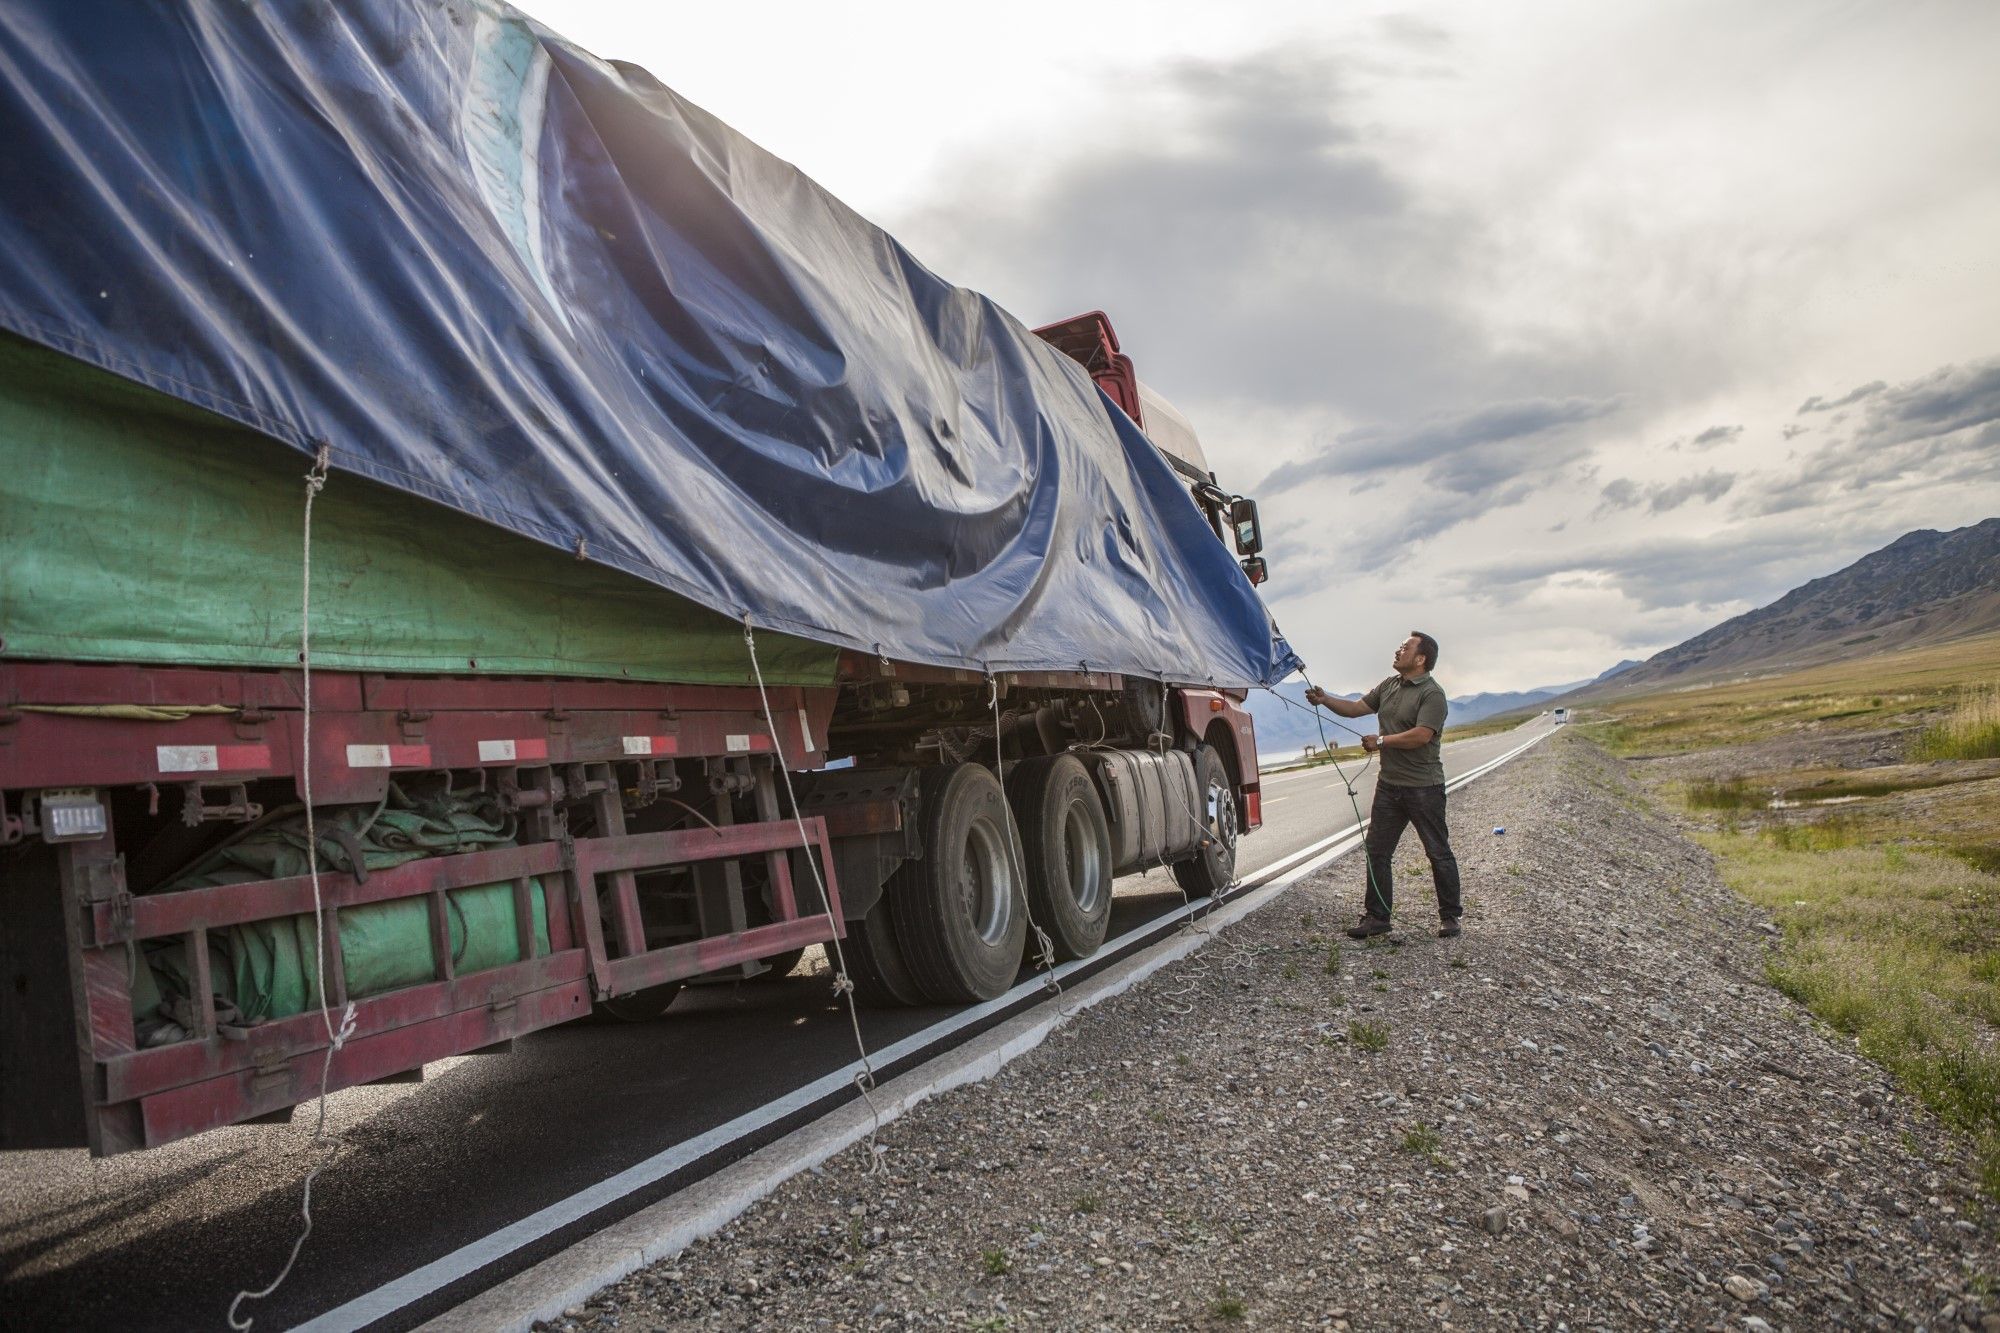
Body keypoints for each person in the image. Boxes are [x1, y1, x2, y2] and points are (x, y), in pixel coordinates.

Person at [1304, 631, 1461, 939]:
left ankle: (1451, 917)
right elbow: (1355, 709)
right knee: (1377, 850)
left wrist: (1381, 741)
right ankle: (1377, 918)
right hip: (1389, 786)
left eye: (1405, 648)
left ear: (1420, 659)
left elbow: (1422, 735)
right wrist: (1325, 701)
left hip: (1424, 788)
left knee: (1437, 852)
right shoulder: (1389, 686)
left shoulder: (1432, 694)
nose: (1398, 650)